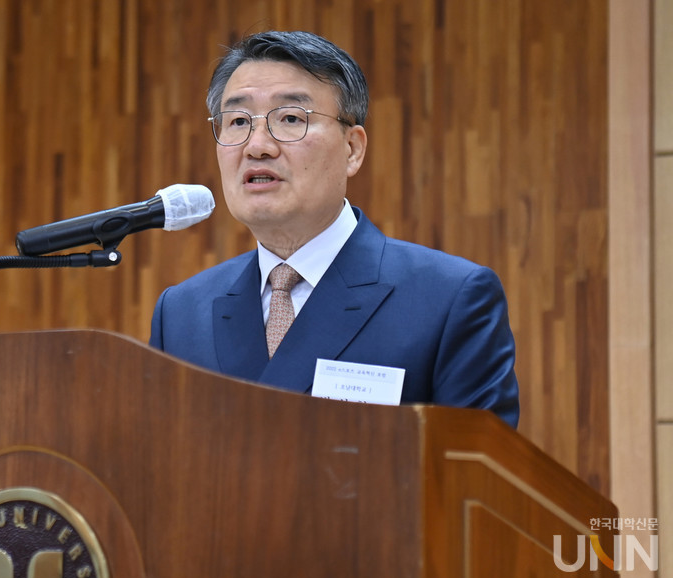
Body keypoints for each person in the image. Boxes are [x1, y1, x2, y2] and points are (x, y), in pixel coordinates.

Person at [149, 30, 519, 428]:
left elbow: (473, 466)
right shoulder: (182, 313)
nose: (257, 146)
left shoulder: (448, 299)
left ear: (352, 149)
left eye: (291, 118)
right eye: (238, 121)